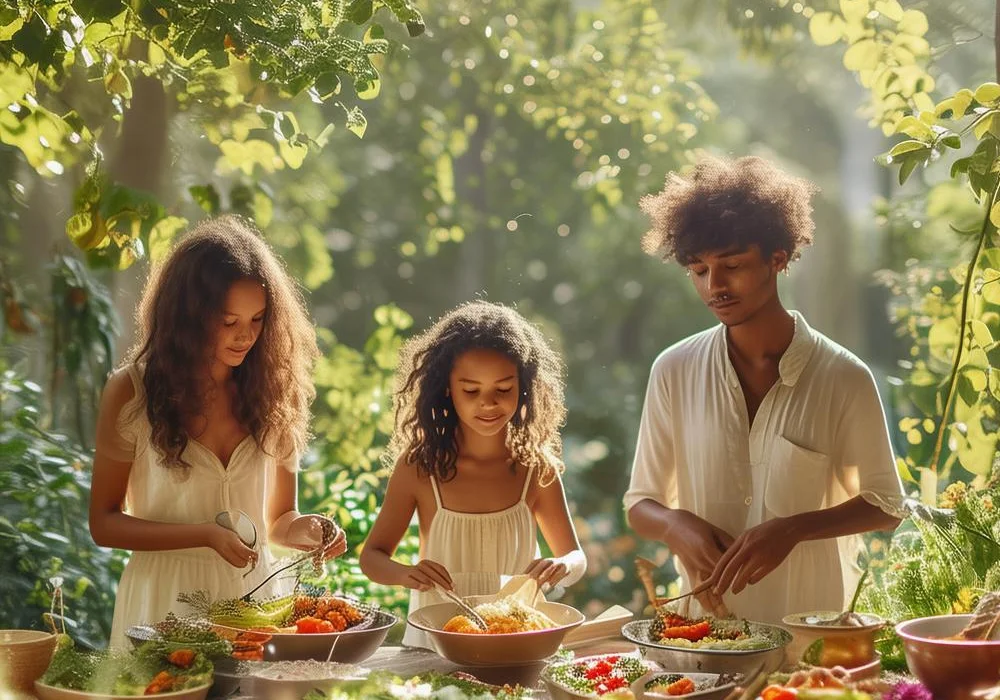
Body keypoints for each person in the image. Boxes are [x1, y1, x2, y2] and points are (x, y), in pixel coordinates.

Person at [624, 155, 905, 624]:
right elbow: (640, 504)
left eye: (732, 265)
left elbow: (886, 505)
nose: (715, 286)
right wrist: (674, 524)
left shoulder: (844, 377)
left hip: (811, 637)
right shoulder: (673, 369)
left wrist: (793, 529)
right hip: (704, 634)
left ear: (778, 258)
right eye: (698, 270)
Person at [90, 215, 347, 649]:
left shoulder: (275, 391)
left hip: (255, 603)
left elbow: (279, 521)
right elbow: (104, 524)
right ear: (189, 317)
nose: (246, 336)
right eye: (229, 322)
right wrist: (204, 535)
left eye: (258, 319)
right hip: (164, 604)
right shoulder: (132, 390)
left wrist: (309, 530)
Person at [359, 301, 587, 648]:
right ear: (447, 388)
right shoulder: (420, 467)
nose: (488, 403)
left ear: (523, 385)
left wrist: (563, 566)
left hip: (516, 641)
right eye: (471, 390)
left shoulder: (536, 468)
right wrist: (406, 574)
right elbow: (372, 557)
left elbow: (576, 556)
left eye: (503, 389)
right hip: (436, 645)